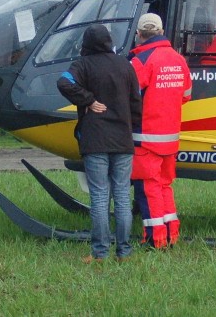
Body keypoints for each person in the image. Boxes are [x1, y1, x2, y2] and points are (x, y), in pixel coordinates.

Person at [57, 24, 142, 263]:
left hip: (95, 139)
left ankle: (100, 253)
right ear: (108, 41)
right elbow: (136, 101)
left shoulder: (82, 65)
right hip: (123, 141)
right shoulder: (125, 64)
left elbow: (63, 83)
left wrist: (89, 100)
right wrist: (128, 123)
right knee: (123, 197)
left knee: (100, 196)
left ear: (86, 43)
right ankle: (124, 252)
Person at [128, 13, 192, 249]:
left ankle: (156, 241)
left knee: (148, 189)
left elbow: (127, 95)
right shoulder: (178, 59)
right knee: (164, 185)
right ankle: (171, 234)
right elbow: (186, 95)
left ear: (139, 34)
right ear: (161, 31)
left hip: (145, 139)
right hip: (170, 137)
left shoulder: (140, 61)